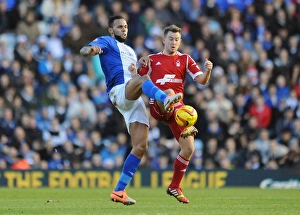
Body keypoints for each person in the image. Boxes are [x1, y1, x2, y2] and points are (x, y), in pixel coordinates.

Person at [79, 15, 182, 205]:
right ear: (111, 30)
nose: (124, 29)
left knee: (141, 146)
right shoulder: (107, 41)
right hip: (119, 91)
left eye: (125, 26)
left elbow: (134, 76)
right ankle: (166, 99)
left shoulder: (131, 51)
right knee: (147, 84)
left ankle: (119, 191)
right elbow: (84, 49)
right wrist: (92, 50)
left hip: (132, 96)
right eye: (119, 27)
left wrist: (138, 70)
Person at [138, 24, 213, 203]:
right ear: (164, 40)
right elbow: (139, 80)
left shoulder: (185, 59)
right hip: (158, 106)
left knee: (189, 149)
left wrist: (208, 70)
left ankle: (174, 186)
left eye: (177, 39)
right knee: (170, 94)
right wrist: (139, 64)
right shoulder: (152, 59)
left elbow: (202, 80)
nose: (174, 42)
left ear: (180, 41)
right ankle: (183, 115)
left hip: (176, 111)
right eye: (170, 39)